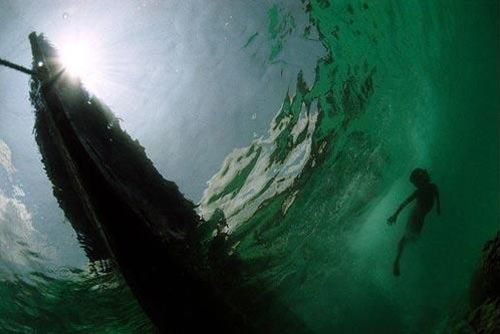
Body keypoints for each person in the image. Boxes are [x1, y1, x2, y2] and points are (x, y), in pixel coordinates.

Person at [387, 168, 441, 276]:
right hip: (415, 216)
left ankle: (399, 256)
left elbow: (437, 195)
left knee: (412, 238)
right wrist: (395, 215)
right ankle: (397, 261)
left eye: (415, 183)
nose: (415, 185)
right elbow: (404, 203)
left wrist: (439, 207)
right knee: (406, 238)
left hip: (420, 218)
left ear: (422, 179)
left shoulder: (431, 187)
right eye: (414, 183)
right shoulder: (420, 191)